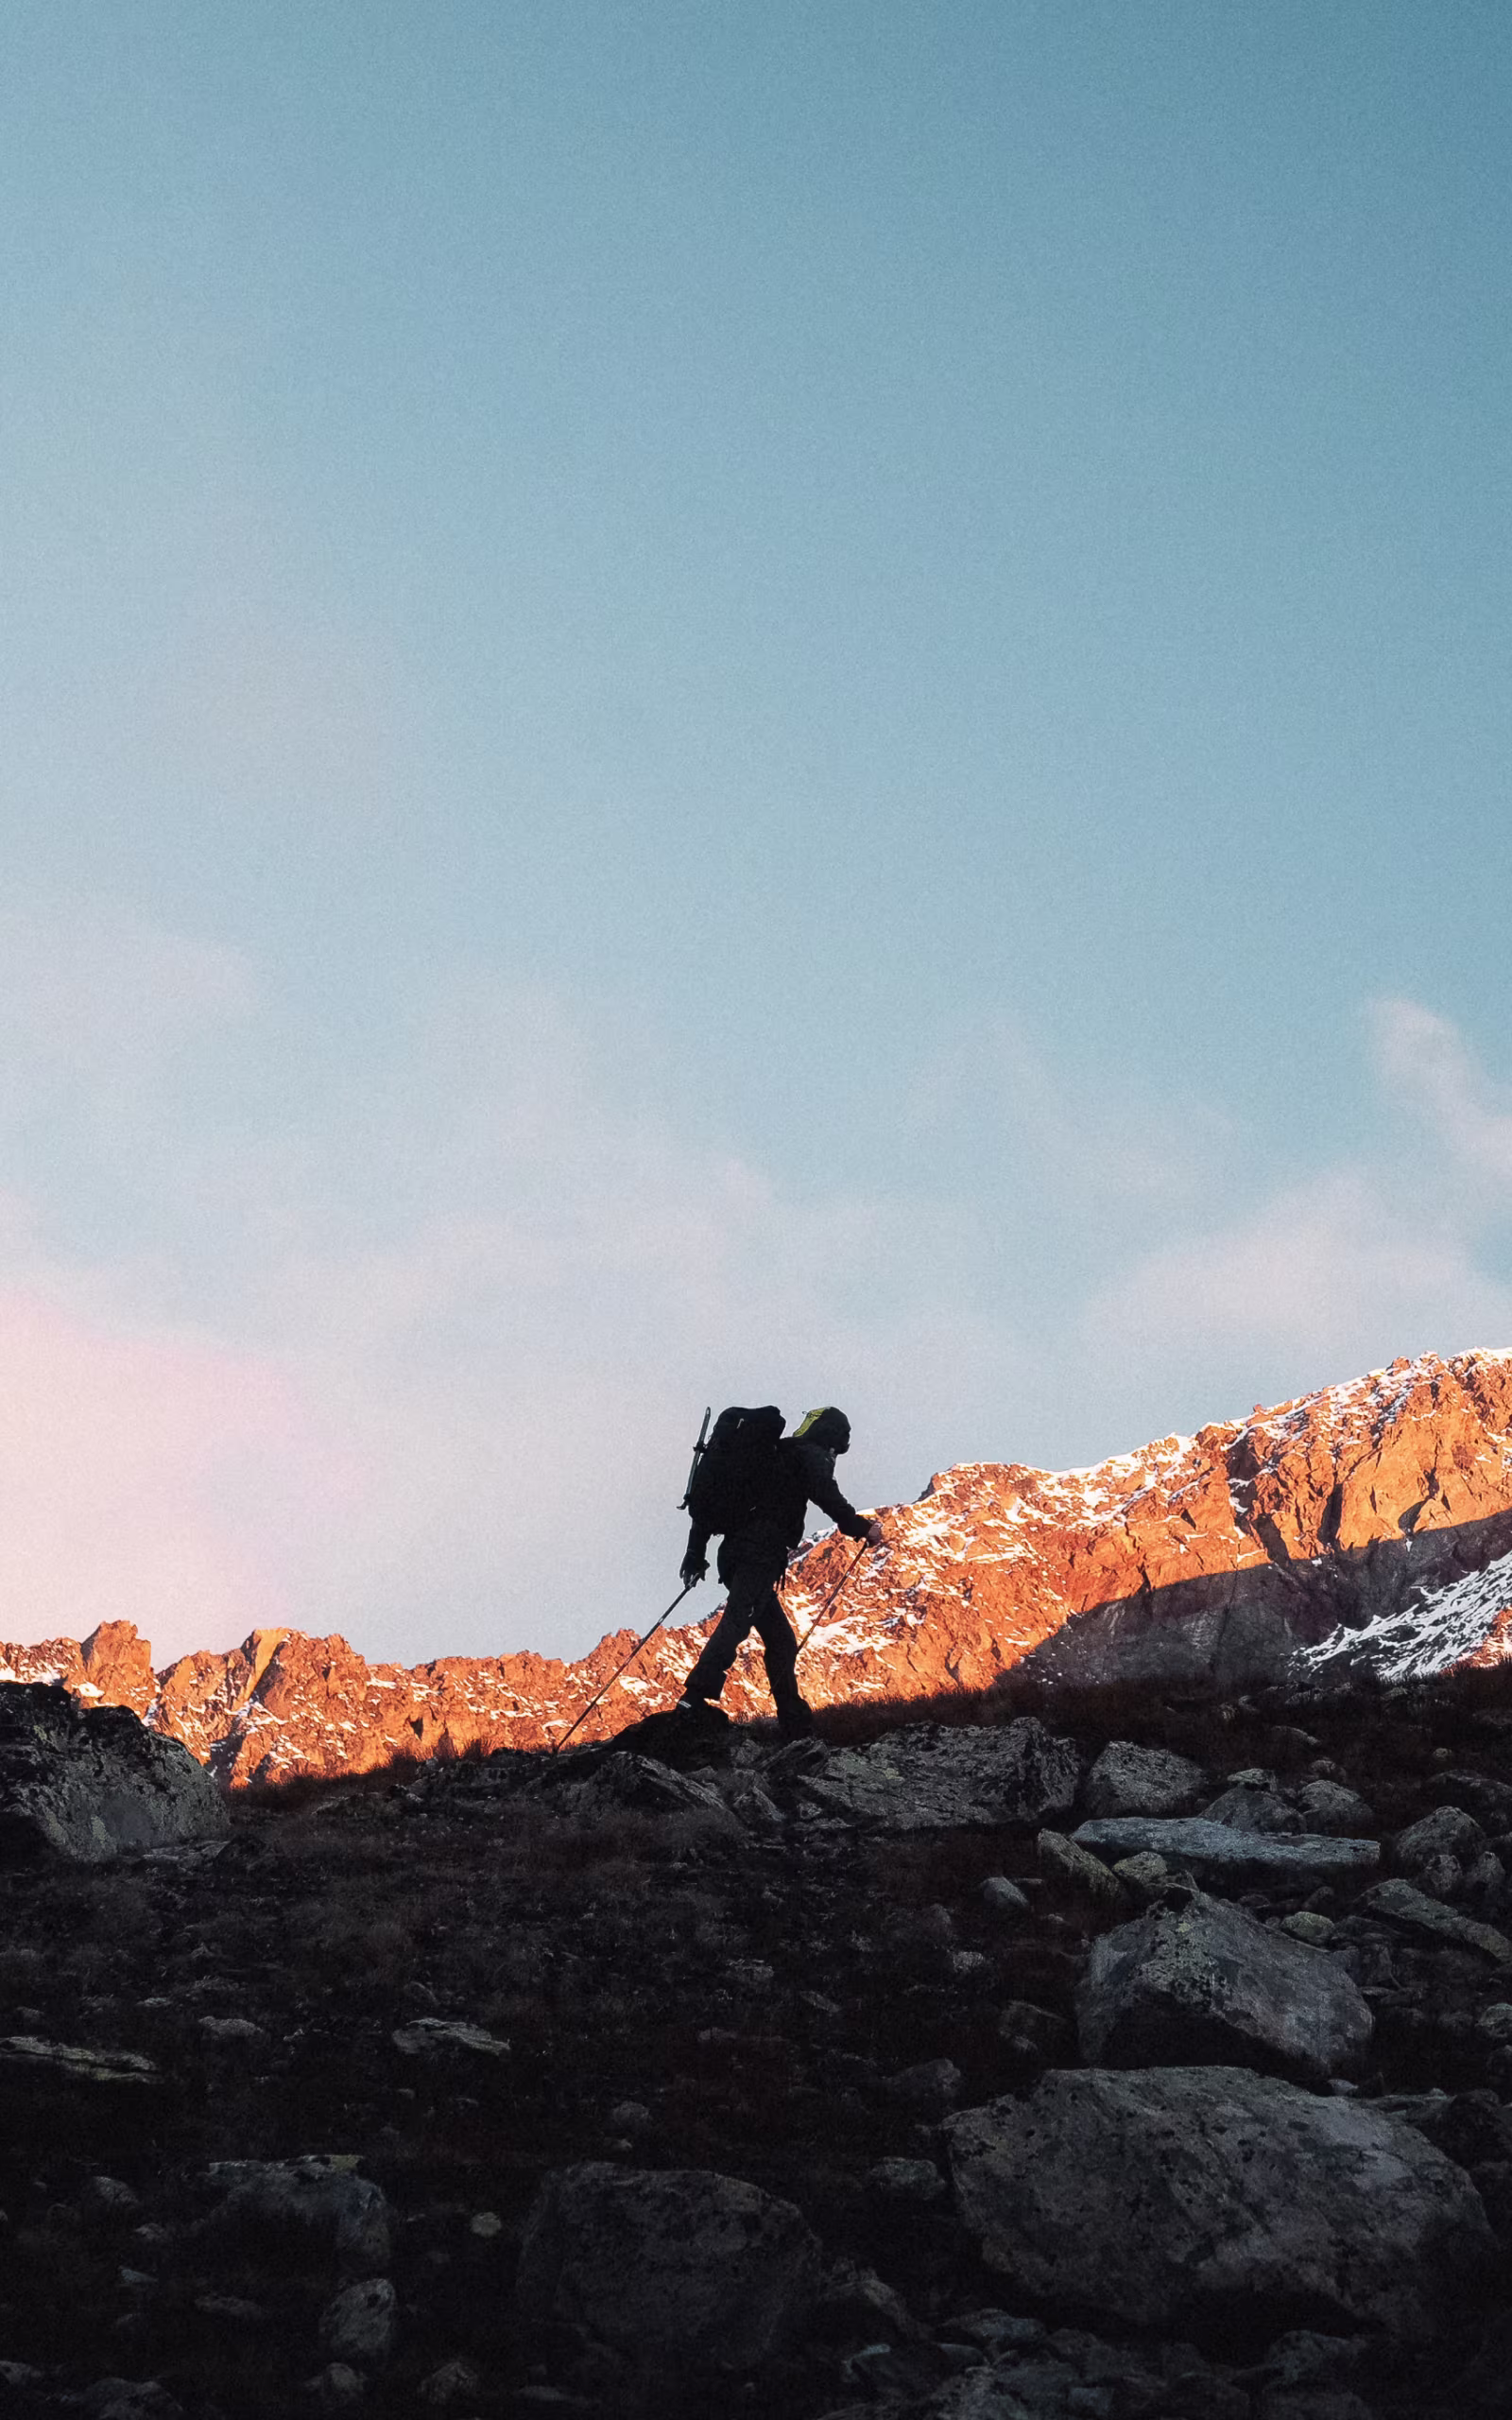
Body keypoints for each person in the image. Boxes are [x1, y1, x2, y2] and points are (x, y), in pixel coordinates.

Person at [677, 1405, 884, 1739]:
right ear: (831, 1436)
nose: (834, 1456)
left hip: (736, 1553)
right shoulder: (808, 1454)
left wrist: (694, 1553)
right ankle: (693, 1698)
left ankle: (794, 1721)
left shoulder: (775, 1453)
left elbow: (720, 1499)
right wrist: (861, 1527)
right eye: (836, 1449)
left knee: (781, 1640)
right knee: (738, 1619)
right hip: (759, 1554)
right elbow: (826, 1494)